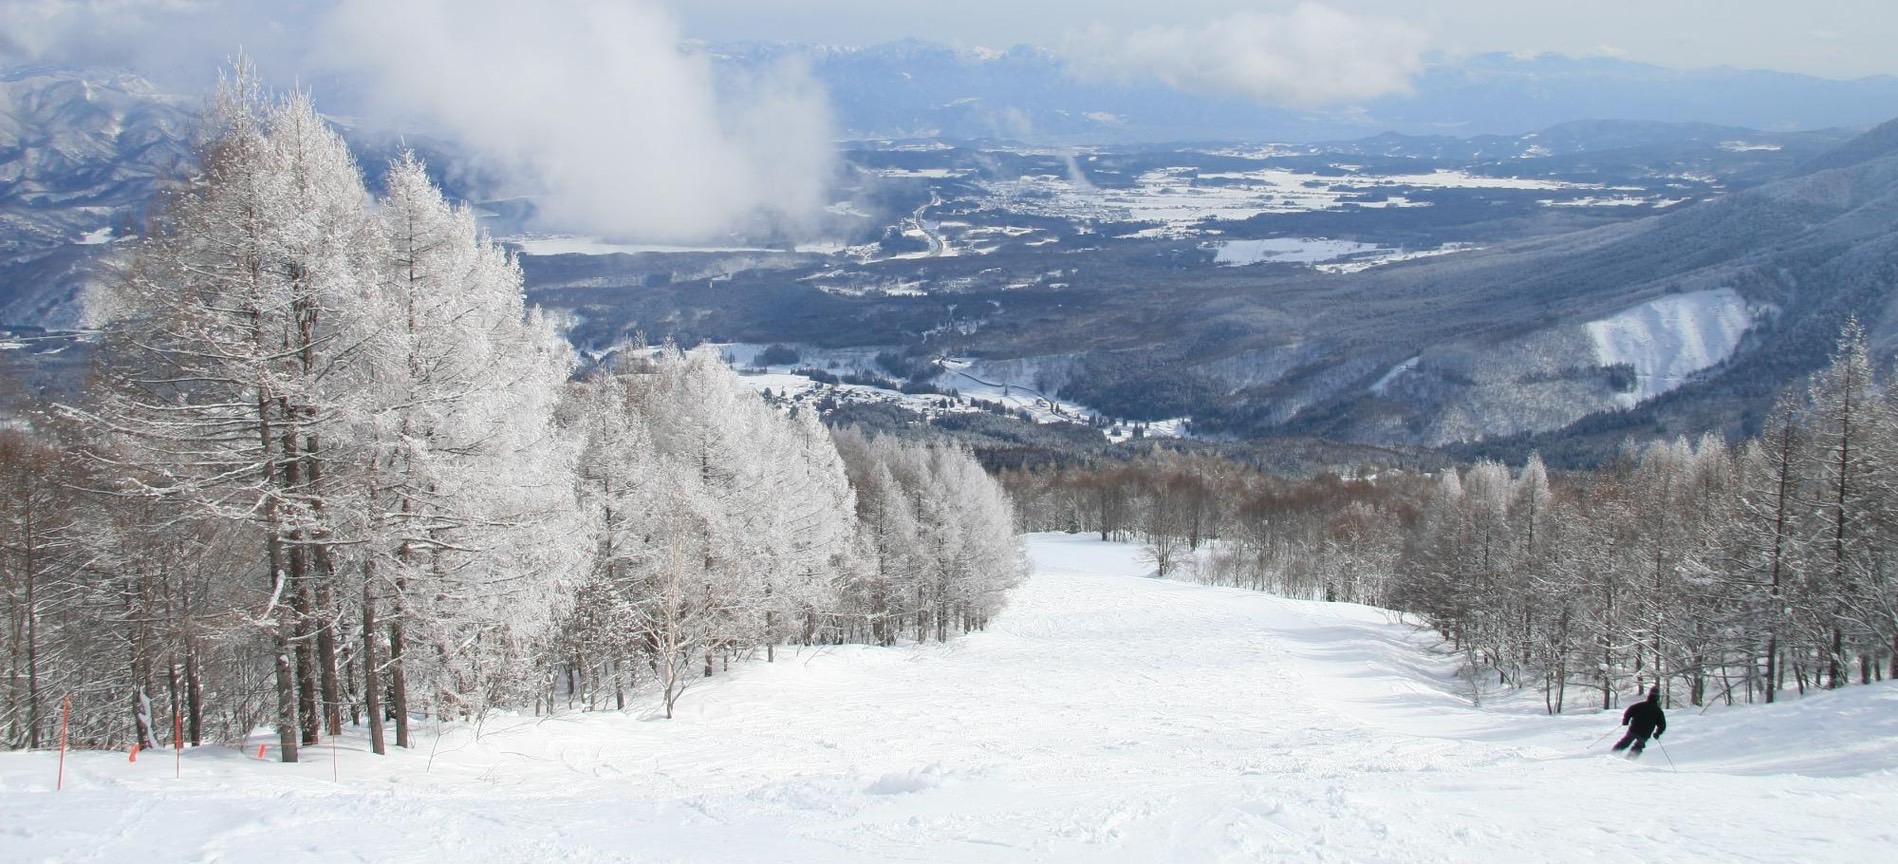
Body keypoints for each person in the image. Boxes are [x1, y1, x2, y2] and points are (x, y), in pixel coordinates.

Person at [1613, 686, 1667, 757]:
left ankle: (1613, 755)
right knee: (1638, 746)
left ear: (1649, 695)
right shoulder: (1658, 711)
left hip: (1634, 729)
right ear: (1658, 697)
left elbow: (1629, 711)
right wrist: (1657, 733)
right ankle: (1630, 759)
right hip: (1645, 733)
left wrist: (1626, 721)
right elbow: (1662, 725)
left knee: (1625, 742)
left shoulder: (1640, 705)